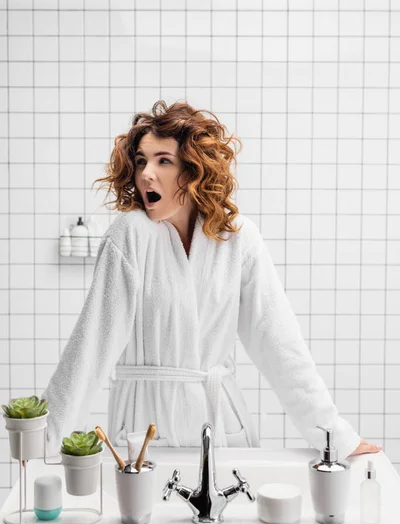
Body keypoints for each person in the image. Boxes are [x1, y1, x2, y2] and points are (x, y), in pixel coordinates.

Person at [41, 100, 381, 459]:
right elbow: (91, 345)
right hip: (144, 433)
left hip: (220, 428)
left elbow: (279, 342)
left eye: (163, 161)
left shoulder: (238, 239)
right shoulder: (129, 235)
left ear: (192, 171)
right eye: (141, 160)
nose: (146, 174)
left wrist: (334, 436)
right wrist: (44, 444)